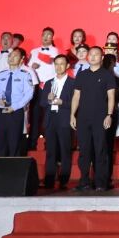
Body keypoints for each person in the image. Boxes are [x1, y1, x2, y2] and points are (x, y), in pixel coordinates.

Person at [70, 46, 116, 191]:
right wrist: (72, 114)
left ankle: (101, 182)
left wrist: (109, 115)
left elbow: (111, 97)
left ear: (102, 58)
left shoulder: (107, 75)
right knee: (84, 151)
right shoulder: (82, 74)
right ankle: (84, 181)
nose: (93, 57)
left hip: (100, 118)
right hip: (83, 118)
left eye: (96, 54)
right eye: (91, 54)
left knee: (100, 150)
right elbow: (76, 96)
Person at [38, 53, 76, 189]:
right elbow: (42, 103)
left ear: (67, 66)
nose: (59, 66)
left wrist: (62, 102)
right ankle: (49, 179)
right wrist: (48, 99)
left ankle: (63, 179)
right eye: (56, 64)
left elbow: (77, 103)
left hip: (64, 118)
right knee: (51, 151)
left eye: (61, 64)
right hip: (51, 119)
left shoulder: (73, 83)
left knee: (65, 150)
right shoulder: (49, 82)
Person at [0, 47, 34, 157]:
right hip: (0, 111)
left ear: (22, 59)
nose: (12, 58)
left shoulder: (25, 75)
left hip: (15, 111)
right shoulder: (1, 74)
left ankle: (13, 166)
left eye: (15, 56)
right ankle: (0, 165)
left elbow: (29, 94)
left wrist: (15, 107)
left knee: (14, 141)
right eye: (10, 55)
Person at [26, 27, 60, 153]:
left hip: (49, 86)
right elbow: (27, 67)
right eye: (44, 35)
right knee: (35, 115)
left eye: (49, 35)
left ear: (52, 37)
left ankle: (48, 143)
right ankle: (32, 143)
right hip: (35, 85)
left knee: (49, 115)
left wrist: (42, 58)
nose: (46, 37)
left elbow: (53, 62)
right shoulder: (33, 51)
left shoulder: (55, 51)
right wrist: (32, 66)